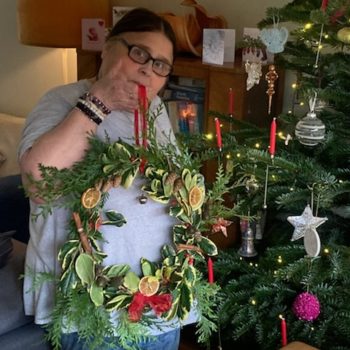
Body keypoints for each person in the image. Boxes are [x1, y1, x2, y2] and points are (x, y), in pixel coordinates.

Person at [18, 8, 197, 350]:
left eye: (161, 64)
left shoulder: (156, 110)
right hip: (93, 306)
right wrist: (102, 100)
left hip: (157, 298)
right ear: (107, 46)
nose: (148, 68)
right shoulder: (60, 100)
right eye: (139, 52)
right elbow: (39, 183)